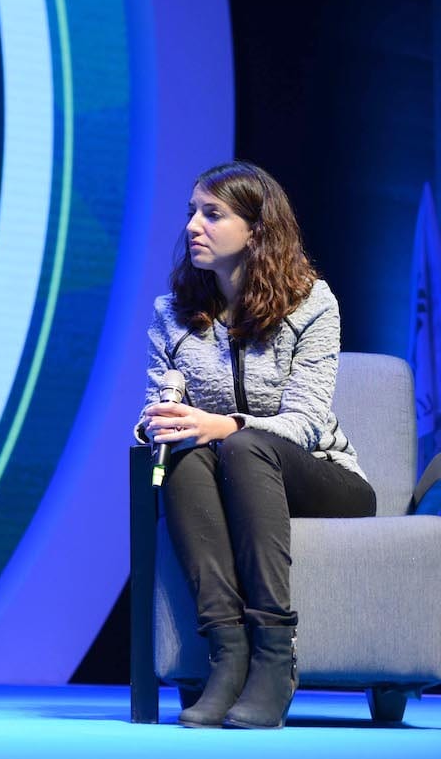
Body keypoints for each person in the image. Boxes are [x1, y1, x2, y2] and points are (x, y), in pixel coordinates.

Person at [136, 161, 376, 729]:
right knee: (185, 454)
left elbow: (308, 423)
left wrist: (226, 426)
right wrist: (157, 426)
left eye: (212, 214)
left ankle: (274, 655)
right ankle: (227, 652)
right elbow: (151, 413)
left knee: (242, 447)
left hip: (323, 476)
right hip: (226, 475)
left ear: (257, 230)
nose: (194, 225)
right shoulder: (171, 315)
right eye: (192, 211)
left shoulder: (313, 303)